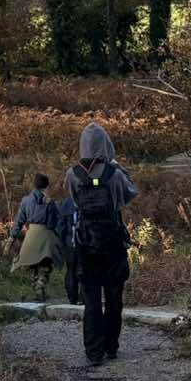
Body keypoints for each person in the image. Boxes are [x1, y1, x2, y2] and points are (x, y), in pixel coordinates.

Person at [66, 122, 137, 366]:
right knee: (114, 298)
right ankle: (111, 347)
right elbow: (129, 193)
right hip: (112, 243)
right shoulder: (114, 174)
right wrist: (118, 167)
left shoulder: (72, 174)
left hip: (86, 243)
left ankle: (93, 351)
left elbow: (75, 201)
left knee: (91, 299)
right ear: (106, 144)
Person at [8, 173, 61, 302]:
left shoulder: (26, 200)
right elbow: (53, 223)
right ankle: (40, 289)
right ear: (46, 186)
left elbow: (19, 221)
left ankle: (37, 291)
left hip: (31, 235)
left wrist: (12, 236)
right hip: (46, 235)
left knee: (32, 265)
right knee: (45, 265)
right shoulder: (49, 202)